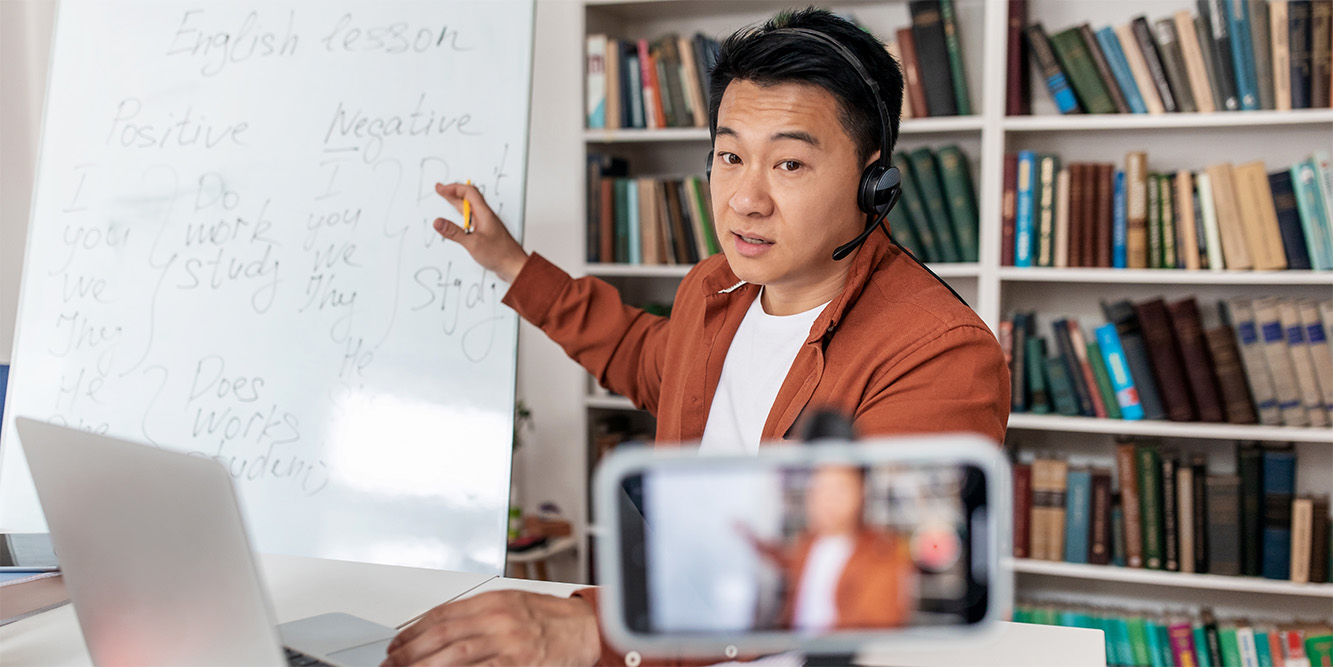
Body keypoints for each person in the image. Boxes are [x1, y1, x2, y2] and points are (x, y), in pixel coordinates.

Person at [382, 8, 1008, 666]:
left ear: (872, 182)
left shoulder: (941, 353)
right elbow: (637, 354)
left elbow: (847, 570)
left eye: (789, 164)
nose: (744, 198)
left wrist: (591, 629)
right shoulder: (713, 290)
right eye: (730, 156)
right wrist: (510, 263)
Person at [740, 465, 916, 633]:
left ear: (861, 492)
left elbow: (877, 632)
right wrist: (755, 543)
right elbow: (790, 561)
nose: (827, 500)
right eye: (819, 488)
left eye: (839, 489)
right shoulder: (810, 542)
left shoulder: (882, 554)